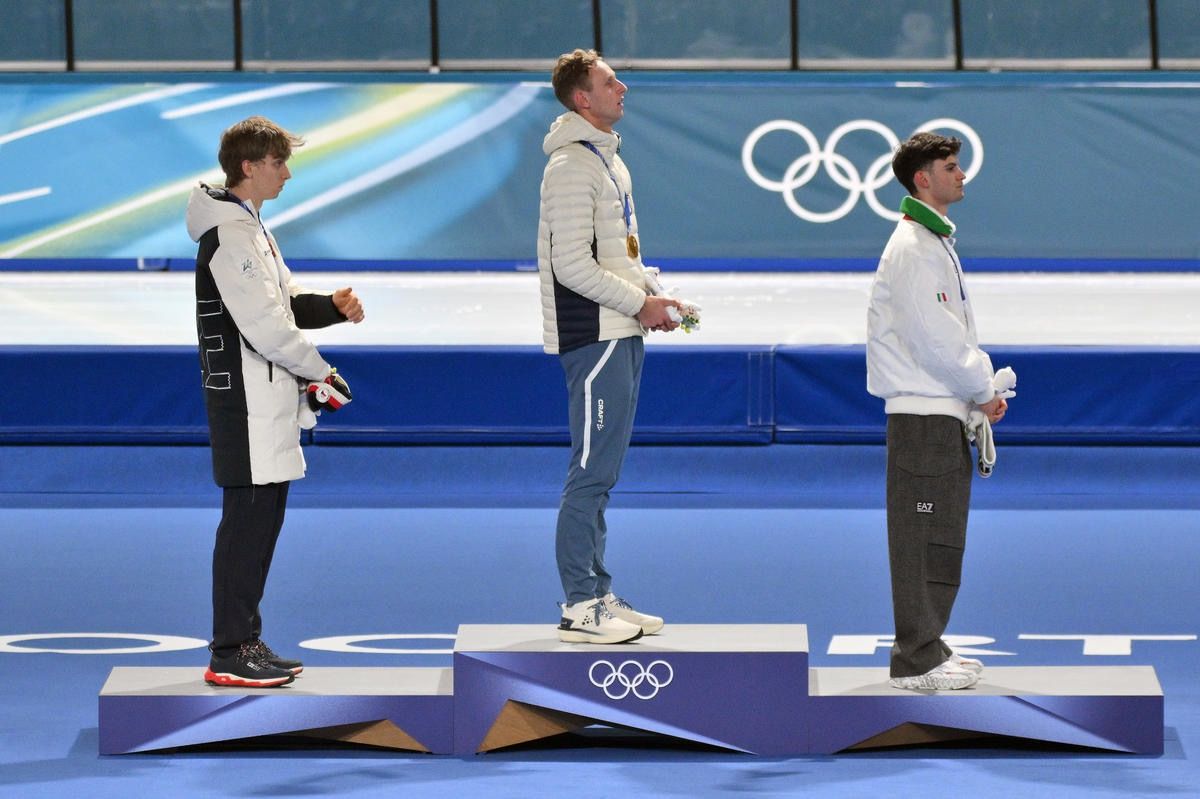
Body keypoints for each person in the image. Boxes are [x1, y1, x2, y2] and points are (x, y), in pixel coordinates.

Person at [187, 116, 365, 687]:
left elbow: (282, 303)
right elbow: (267, 327)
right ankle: (229, 651)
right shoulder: (230, 237)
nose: (286, 174)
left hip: (263, 400)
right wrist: (321, 371)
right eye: (278, 163)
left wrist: (330, 307)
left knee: (261, 526)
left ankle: (244, 639)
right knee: (247, 527)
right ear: (248, 167)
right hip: (244, 405)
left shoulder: (249, 227)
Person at [537, 49, 682, 644]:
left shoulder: (606, 160)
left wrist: (653, 291)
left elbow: (618, 253)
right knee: (590, 472)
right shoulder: (571, 166)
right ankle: (579, 603)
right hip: (593, 334)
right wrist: (637, 303)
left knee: (605, 471)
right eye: (609, 81)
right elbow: (570, 265)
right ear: (582, 99)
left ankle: (597, 591)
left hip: (618, 328)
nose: (623, 87)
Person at [866, 132, 1010, 691]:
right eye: (950, 166)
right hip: (922, 416)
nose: (961, 174)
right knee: (922, 539)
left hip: (939, 412)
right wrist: (982, 390)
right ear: (922, 179)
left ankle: (930, 645)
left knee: (941, 538)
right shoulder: (914, 248)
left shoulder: (933, 240)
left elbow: (950, 336)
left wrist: (975, 392)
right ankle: (914, 661)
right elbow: (937, 342)